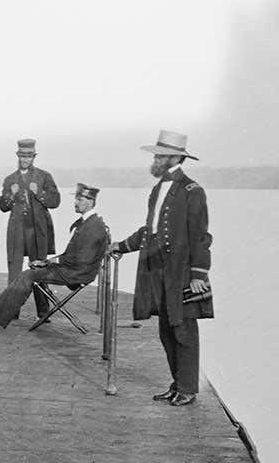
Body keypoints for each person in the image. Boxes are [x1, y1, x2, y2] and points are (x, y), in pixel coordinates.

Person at [111, 130, 213, 407]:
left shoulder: (193, 191)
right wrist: (122, 245)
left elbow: (200, 236)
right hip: (157, 270)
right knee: (166, 330)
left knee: (184, 329)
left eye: (159, 155)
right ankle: (177, 384)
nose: (154, 160)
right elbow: (151, 231)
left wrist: (198, 275)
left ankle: (188, 388)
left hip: (182, 272)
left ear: (174, 157)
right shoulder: (158, 189)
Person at [0, 183, 109, 328]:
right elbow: (74, 255)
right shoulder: (89, 222)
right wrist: (46, 262)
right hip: (74, 269)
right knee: (29, 273)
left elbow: (82, 259)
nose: (75, 203)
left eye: (80, 200)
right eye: (76, 199)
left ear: (90, 202)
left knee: (28, 275)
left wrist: (49, 263)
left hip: (77, 273)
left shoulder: (94, 226)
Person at [0, 138, 61, 320]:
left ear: (34, 156)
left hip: (37, 231)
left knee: (39, 270)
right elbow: (2, 206)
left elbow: (55, 201)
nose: (25, 159)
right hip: (17, 231)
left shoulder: (44, 177)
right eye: (22, 156)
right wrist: (11, 194)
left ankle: (43, 312)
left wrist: (39, 193)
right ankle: (12, 311)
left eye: (29, 156)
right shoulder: (10, 179)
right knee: (15, 271)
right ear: (18, 156)